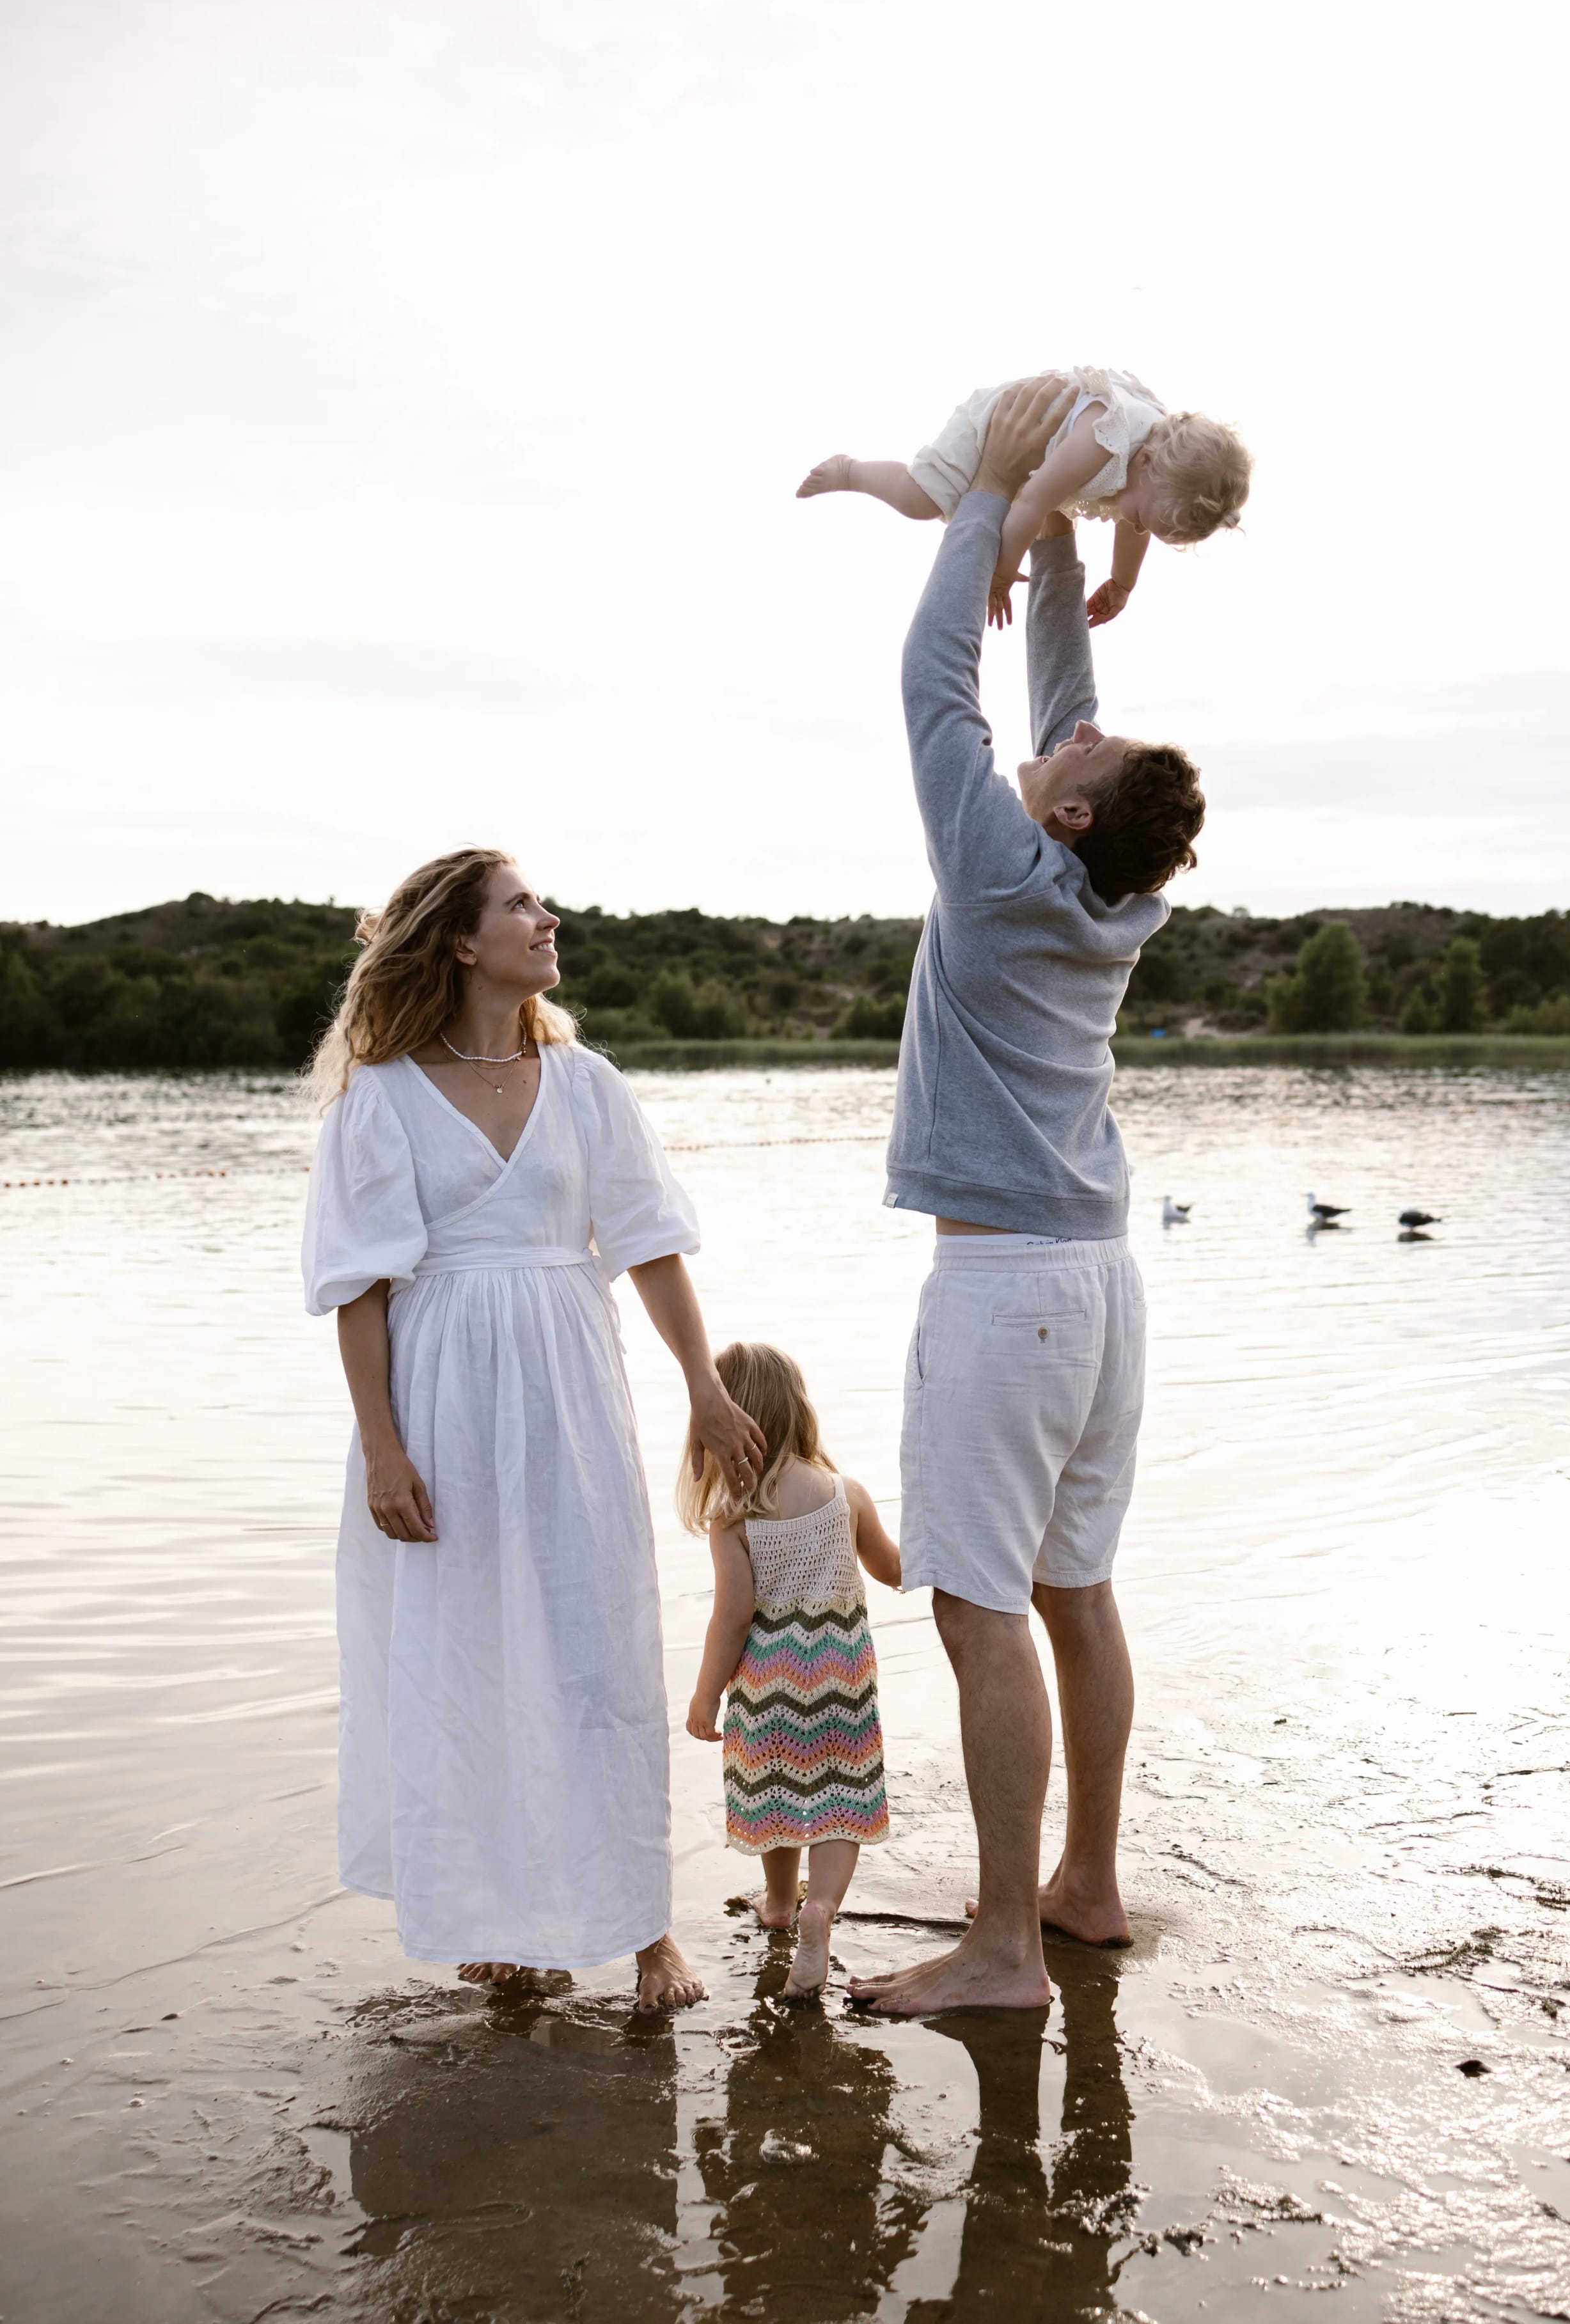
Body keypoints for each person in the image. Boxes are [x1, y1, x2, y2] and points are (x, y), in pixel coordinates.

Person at [847, 379, 1206, 2018]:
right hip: (1104, 1285)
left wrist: (998, 500)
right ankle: (1088, 1882)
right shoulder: (1109, 890)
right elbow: (1062, 697)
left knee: (983, 1609)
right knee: (1076, 1589)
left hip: (1004, 1297)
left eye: (1075, 749)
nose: (1069, 727)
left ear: (1061, 808)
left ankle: (1000, 1945)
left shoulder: (1000, 872)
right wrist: (1063, 545)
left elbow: (934, 687)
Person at [300, 847, 765, 2011]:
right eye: (521, 905)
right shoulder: (383, 1095)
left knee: (598, 1646)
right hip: (440, 1397)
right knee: (470, 1654)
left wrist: (705, 1390)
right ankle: (507, 1918)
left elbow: (648, 1240)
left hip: (570, 1384)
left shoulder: (589, 1082)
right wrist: (385, 1447)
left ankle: (646, 1928)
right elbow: (361, 1288)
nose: (547, 917)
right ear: (463, 941)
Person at [680, 1343, 899, 1997]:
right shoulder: (845, 1494)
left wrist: (705, 1695)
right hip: (843, 1679)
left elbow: (733, 1617)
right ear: (799, 1410)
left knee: (777, 1795)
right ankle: (820, 1911)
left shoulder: (736, 1520)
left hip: (770, 1686)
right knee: (840, 1801)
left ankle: (778, 1905)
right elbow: (892, 1568)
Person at [797, 363, 1250, 631]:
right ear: (1148, 460)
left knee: (1045, 510)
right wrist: (1000, 574)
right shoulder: (1104, 440)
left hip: (1047, 459)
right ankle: (851, 471)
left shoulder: (1154, 467)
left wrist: (1122, 583)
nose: (1137, 525)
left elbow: (1134, 528)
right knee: (923, 500)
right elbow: (1031, 502)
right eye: (1144, 516)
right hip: (1002, 421)